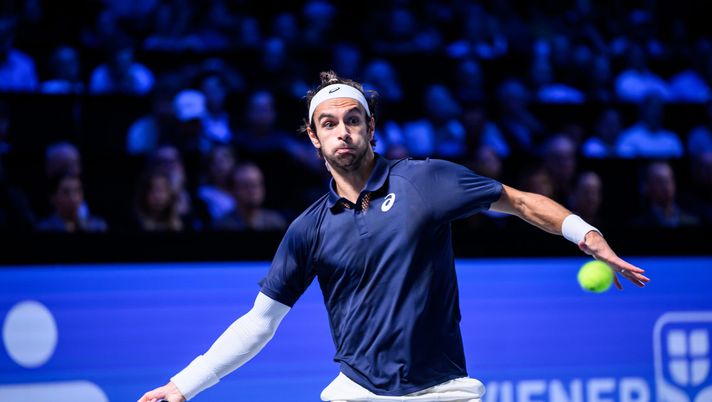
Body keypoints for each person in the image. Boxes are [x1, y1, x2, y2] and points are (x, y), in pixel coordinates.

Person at [138, 71, 649, 402]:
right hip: (356, 392)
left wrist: (588, 235)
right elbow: (259, 324)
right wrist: (185, 385)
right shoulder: (308, 229)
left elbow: (518, 201)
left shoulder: (424, 181)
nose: (343, 131)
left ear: (371, 128)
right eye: (329, 123)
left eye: (353, 120)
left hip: (444, 390)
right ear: (314, 139)